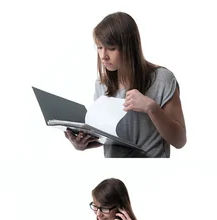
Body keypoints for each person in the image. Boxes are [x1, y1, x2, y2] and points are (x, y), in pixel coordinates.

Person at [65, 12, 186, 158]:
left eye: (111, 48)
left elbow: (180, 141)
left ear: (129, 47)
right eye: (99, 47)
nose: (103, 56)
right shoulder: (102, 85)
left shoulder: (162, 80)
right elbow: (107, 137)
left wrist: (151, 108)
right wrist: (84, 144)